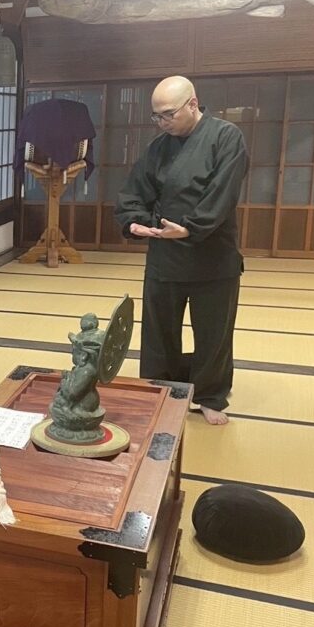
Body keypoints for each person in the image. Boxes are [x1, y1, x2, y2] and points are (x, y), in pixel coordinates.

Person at [115, 75, 248, 426]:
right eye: (156, 116)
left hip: (212, 256)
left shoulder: (226, 137)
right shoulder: (159, 147)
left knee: (213, 334)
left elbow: (223, 192)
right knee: (158, 334)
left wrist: (190, 227)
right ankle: (161, 391)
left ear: (192, 103)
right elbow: (135, 191)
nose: (162, 122)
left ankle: (210, 395)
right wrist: (133, 221)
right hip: (165, 256)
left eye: (168, 114)